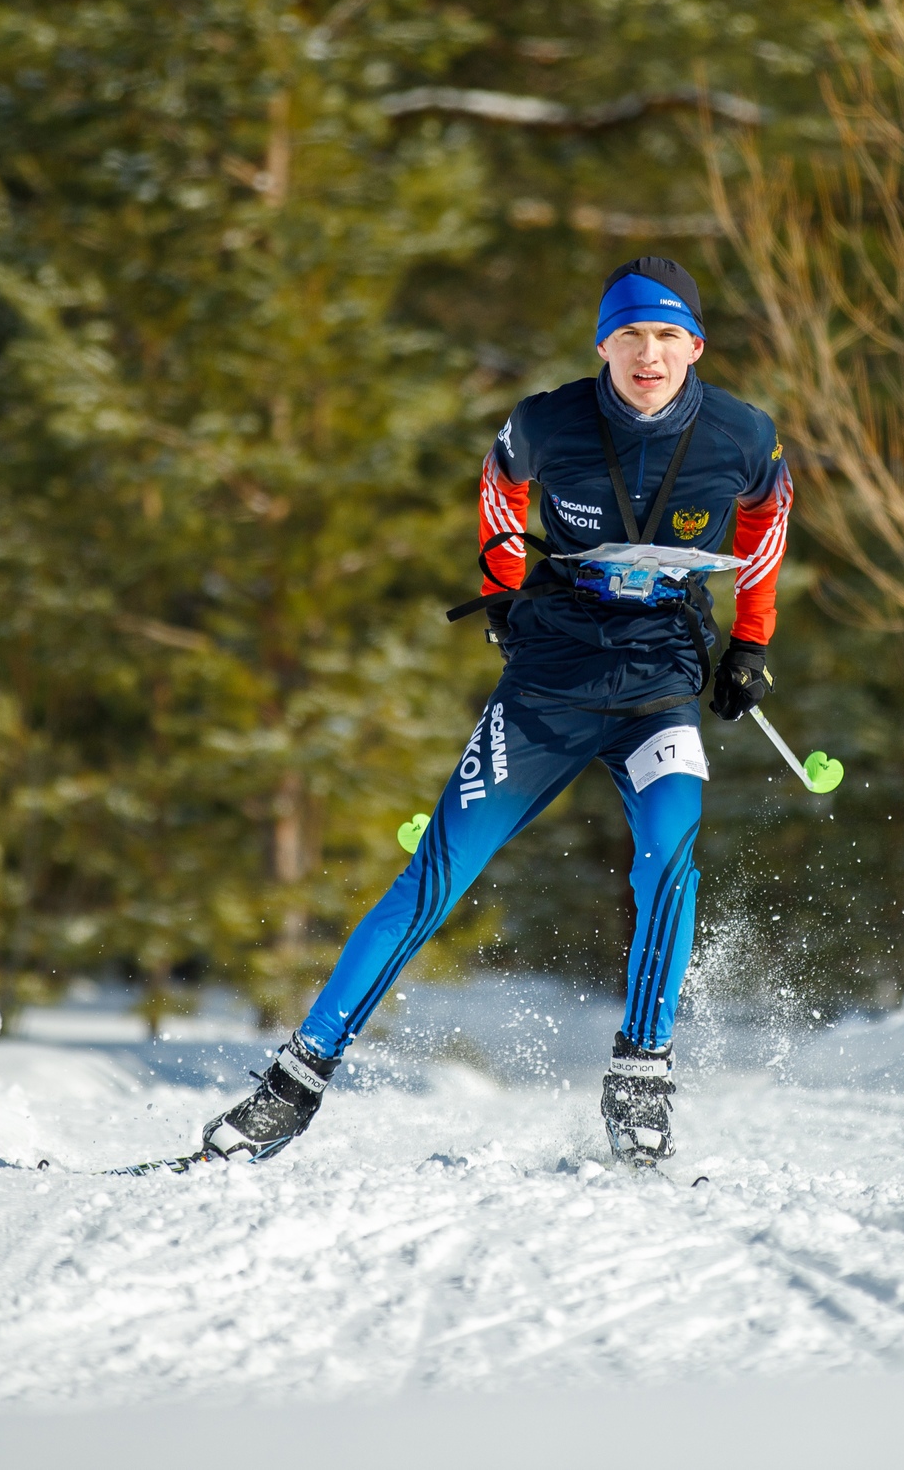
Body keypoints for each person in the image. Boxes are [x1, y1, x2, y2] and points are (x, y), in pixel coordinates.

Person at [198, 257, 793, 1167]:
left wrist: (750, 641)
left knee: (671, 851)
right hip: (550, 680)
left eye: (669, 336)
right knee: (436, 874)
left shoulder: (741, 435)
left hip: (658, 680)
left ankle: (641, 1075)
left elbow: (766, 519)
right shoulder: (548, 418)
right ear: (603, 342)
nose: (649, 354)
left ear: (696, 348)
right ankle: (294, 1081)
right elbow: (498, 488)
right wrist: (502, 588)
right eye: (630, 333)